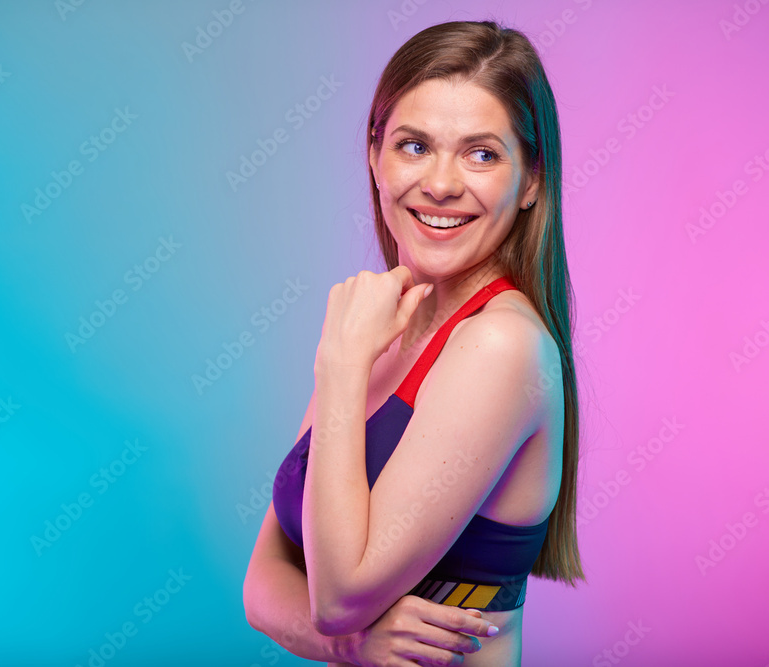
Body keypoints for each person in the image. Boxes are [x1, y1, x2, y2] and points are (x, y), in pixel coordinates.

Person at [244, 19, 585, 666]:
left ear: (532, 181)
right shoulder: (384, 323)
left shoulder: (500, 347)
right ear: (375, 157)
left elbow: (336, 598)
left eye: (481, 153)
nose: (441, 183)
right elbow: (263, 584)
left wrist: (342, 367)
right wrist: (358, 643)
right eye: (414, 145)